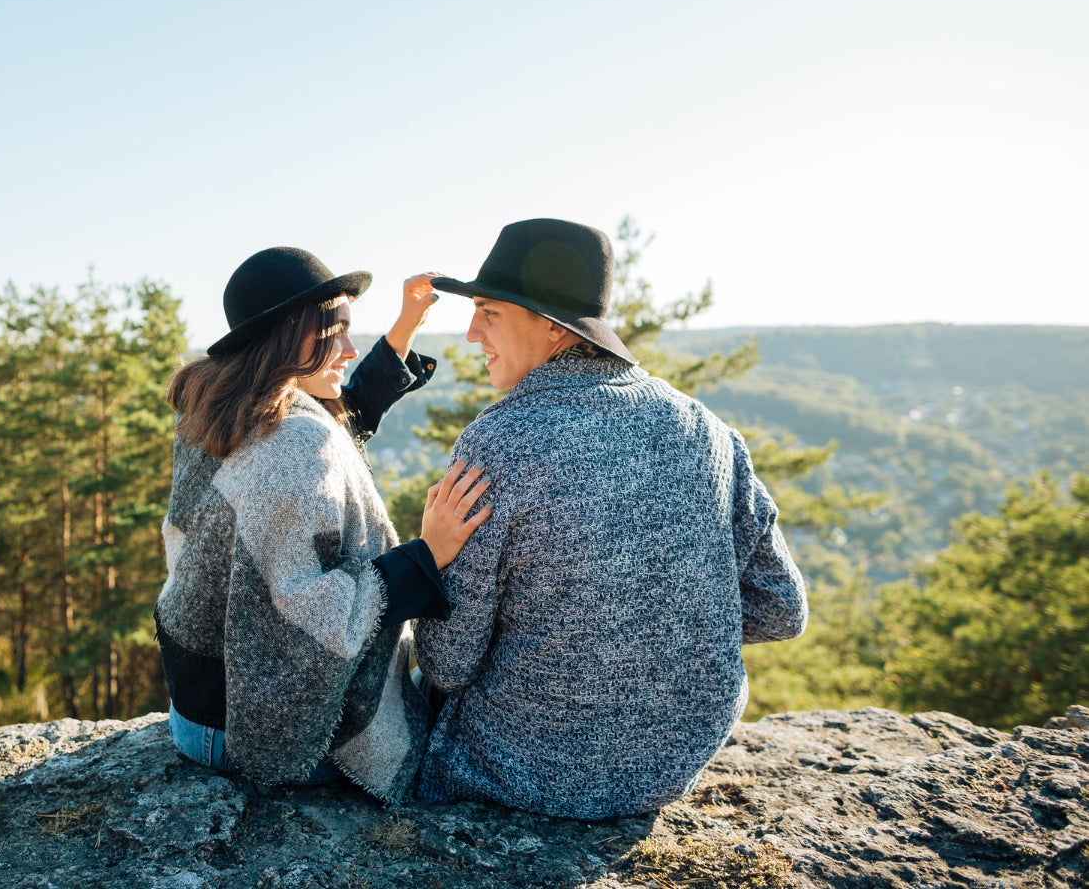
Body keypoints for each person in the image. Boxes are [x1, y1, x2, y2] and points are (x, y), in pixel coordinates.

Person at [414, 218, 808, 820]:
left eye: (489, 312)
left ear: (551, 327)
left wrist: (427, 560)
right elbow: (781, 609)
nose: (470, 334)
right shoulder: (709, 430)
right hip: (671, 764)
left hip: (523, 765)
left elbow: (448, 665)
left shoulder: (501, 441)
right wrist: (649, 639)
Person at [155, 246, 491, 803]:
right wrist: (426, 555)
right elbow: (319, 620)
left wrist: (404, 329)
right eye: (334, 334)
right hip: (243, 733)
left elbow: (339, 417)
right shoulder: (294, 447)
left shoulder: (222, 404)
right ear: (288, 341)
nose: (350, 349)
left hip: (195, 713)